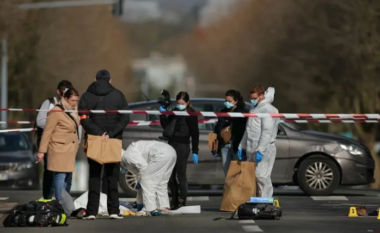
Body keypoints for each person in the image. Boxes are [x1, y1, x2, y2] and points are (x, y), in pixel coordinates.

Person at [79, 70, 130, 220]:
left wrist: (98, 133)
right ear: (110, 80)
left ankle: (91, 211)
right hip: (113, 140)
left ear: (95, 79)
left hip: (94, 139)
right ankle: (113, 211)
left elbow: (83, 118)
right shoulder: (119, 95)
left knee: (94, 176)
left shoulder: (86, 96)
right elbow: (125, 117)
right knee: (112, 176)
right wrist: (111, 133)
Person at [36, 87, 80, 202]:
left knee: (66, 177)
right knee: (60, 175)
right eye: (72, 100)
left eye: (76, 100)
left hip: (70, 149)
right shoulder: (56, 111)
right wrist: (41, 151)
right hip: (58, 148)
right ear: (65, 99)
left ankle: (63, 201)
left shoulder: (73, 111)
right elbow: (47, 131)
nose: (75, 103)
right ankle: (59, 201)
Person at [159, 91, 199, 210]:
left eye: (182, 103)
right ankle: (174, 199)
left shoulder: (191, 113)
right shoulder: (174, 111)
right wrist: (163, 114)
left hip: (182, 145)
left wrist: (195, 150)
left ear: (187, 102)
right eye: (178, 103)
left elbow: (195, 133)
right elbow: (166, 127)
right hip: (171, 144)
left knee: (181, 175)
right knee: (170, 175)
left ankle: (182, 200)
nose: (180, 105)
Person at [238, 86, 279, 198]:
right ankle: (256, 200)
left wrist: (260, 150)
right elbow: (248, 130)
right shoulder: (254, 108)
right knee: (252, 176)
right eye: (251, 98)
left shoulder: (269, 110)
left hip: (265, 148)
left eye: (254, 98)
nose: (252, 100)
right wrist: (242, 146)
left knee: (262, 176)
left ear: (262, 96)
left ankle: (266, 201)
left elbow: (267, 132)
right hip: (252, 147)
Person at [121, 140, 176, 216]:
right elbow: (140, 171)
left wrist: (140, 182)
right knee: (161, 182)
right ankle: (163, 206)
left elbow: (143, 167)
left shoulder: (127, 156)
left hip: (160, 154)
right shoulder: (130, 153)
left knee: (147, 180)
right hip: (171, 151)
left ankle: (149, 209)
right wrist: (139, 202)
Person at [213, 90, 248, 175]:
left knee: (236, 172)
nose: (227, 103)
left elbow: (245, 130)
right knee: (226, 171)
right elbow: (218, 128)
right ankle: (229, 188)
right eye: (226, 101)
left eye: (229, 101)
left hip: (237, 146)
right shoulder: (222, 112)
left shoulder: (242, 113)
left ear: (236, 101)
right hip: (224, 145)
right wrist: (215, 146)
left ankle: (236, 188)